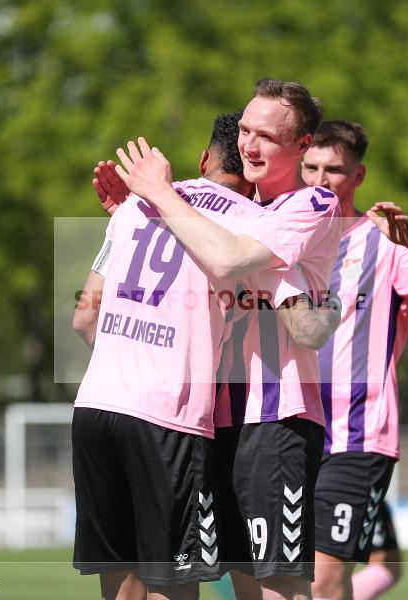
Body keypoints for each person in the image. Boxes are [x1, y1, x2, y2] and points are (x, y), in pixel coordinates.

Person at [71, 112, 334, 600]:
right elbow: (304, 323)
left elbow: (84, 318)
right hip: (166, 417)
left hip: (93, 405)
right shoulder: (251, 224)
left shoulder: (133, 208)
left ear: (203, 158)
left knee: (121, 585)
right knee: (176, 583)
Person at [300, 120, 408, 600]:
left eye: (334, 170)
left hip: (356, 437)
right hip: (288, 433)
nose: (319, 179)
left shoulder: (382, 243)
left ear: (357, 177)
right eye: (310, 167)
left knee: (325, 581)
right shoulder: (280, 239)